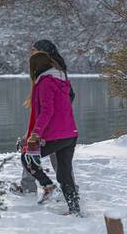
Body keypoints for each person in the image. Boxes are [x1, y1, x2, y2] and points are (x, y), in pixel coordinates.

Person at [10, 39, 76, 194]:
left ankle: (31, 187)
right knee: (58, 157)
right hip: (58, 124)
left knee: (30, 148)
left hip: (50, 124)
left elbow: (61, 101)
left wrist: (47, 122)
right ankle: (68, 188)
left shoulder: (50, 74)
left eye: (34, 50)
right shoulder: (56, 72)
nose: (31, 53)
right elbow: (69, 97)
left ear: (42, 53)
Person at [21, 51, 80, 215]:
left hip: (56, 134)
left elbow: (47, 111)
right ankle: (75, 209)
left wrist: (36, 133)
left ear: (34, 67)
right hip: (70, 133)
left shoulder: (45, 83)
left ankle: (47, 185)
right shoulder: (62, 80)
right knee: (65, 174)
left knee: (27, 157)